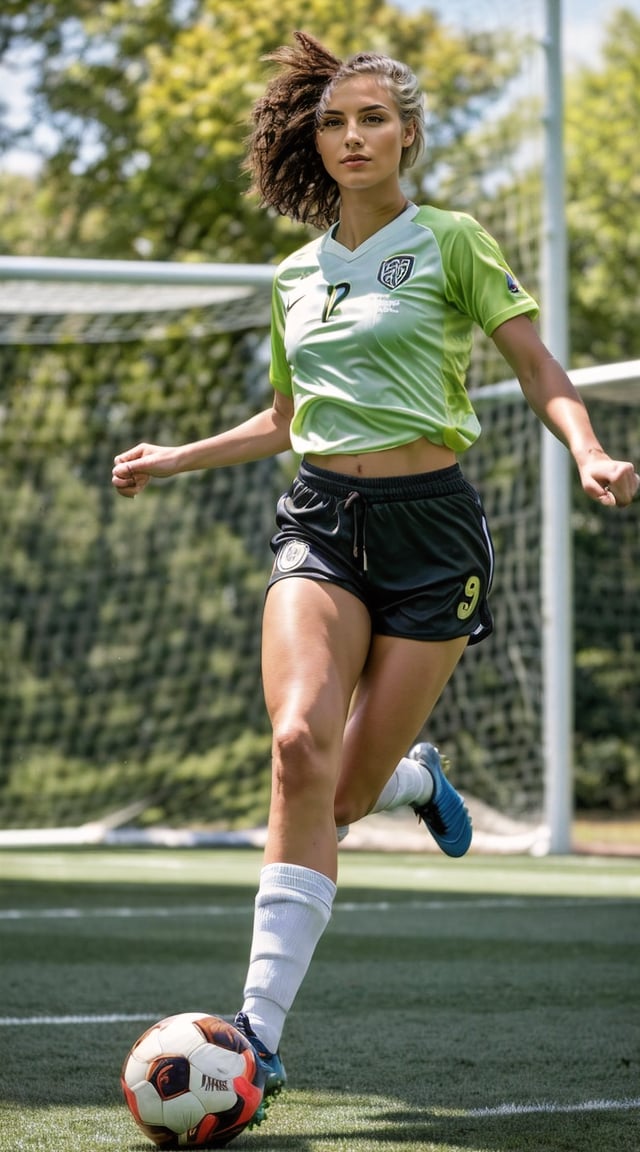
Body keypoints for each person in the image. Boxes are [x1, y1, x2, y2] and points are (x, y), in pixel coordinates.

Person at [112, 31, 639, 1123]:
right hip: (320, 522)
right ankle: (258, 1034)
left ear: (407, 134)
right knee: (298, 746)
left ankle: (407, 780)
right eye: (334, 122)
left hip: (434, 534)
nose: (352, 137)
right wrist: (174, 457)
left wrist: (584, 449)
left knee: (346, 793)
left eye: (373, 120)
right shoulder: (293, 275)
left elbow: (536, 364)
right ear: (316, 138)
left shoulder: (451, 241)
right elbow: (286, 418)